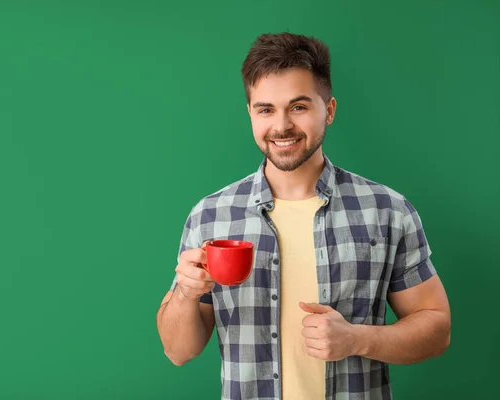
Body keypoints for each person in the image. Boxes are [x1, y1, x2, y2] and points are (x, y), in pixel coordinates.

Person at [156, 32, 451, 400]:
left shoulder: (387, 210)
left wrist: (357, 339)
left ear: (328, 109)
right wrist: (185, 293)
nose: (281, 126)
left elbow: (437, 329)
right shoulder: (211, 217)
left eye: (298, 107)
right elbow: (178, 351)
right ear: (250, 112)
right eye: (265, 109)